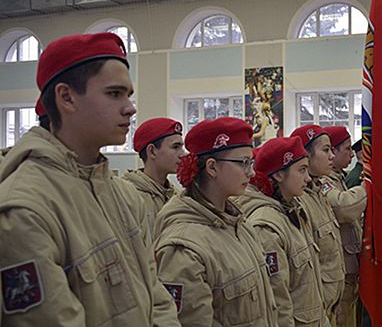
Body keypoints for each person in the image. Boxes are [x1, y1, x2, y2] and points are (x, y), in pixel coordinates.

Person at [0, 33, 180, 326]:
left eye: (129, 95)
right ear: (67, 97)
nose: (130, 108)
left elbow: (157, 298)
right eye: (114, 94)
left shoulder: (122, 195)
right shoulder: (24, 211)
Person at [153, 117, 277, 327]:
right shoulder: (184, 247)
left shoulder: (239, 224)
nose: (252, 172)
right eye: (244, 163)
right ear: (212, 167)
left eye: (252, 163)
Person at [237, 136, 329, 327]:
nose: (308, 178)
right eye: (301, 170)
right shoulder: (266, 225)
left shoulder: (293, 210)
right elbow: (277, 303)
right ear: (278, 175)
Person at [290, 125, 345, 325]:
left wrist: (336, 301)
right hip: (313, 311)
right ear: (305, 155)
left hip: (329, 302)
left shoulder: (318, 192)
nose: (332, 156)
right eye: (326, 150)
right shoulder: (299, 201)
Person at [322, 126, 367, 327]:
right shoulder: (323, 181)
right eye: (347, 149)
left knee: (349, 316)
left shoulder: (338, 177)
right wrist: (368, 185)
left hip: (349, 264)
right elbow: (344, 208)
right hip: (339, 270)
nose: (352, 154)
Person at [121, 117, 184, 238]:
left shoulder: (177, 196)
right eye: (176, 147)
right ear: (152, 151)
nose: (182, 154)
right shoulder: (127, 197)